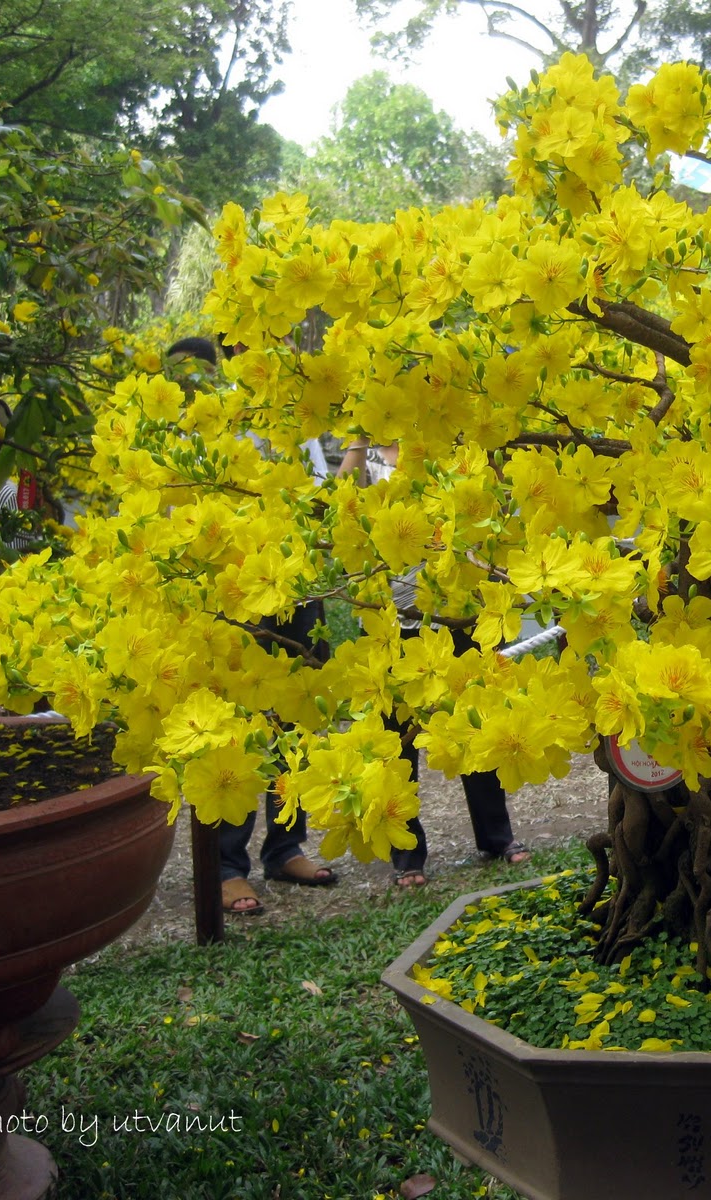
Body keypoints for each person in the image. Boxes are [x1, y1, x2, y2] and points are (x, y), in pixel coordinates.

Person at [164, 337, 339, 914]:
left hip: (293, 581)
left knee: (293, 713)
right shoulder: (203, 422)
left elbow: (316, 495)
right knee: (236, 723)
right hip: (230, 595)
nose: (276, 352)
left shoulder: (293, 416)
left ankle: (286, 846)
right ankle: (228, 867)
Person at [338, 438, 529, 887]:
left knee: (472, 723)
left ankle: (496, 837)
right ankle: (408, 855)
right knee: (396, 742)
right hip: (391, 626)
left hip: (452, 613)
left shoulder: (445, 464)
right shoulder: (367, 462)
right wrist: (357, 441)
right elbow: (341, 504)